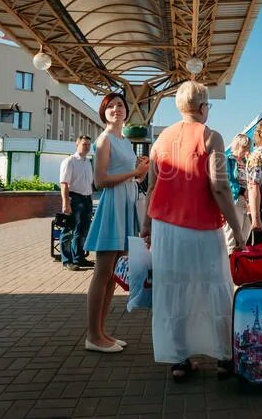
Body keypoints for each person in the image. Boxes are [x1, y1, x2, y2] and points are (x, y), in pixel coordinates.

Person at [141, 81, 243, 382]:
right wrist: (237, 229)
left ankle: (179, 360)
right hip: (201, 227)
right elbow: (220, 186)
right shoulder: (212, 137)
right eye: (208, 105)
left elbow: (151, 187)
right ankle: (225, 357)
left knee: (173, 290)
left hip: (166, 229)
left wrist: (146, 225)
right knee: (215, 287)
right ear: (202, 108)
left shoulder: (160, 141)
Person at [83, 93, 150, 353]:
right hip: (113, 208)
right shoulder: (104, 140)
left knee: (112, 274)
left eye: (120, 105)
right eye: (109, 106)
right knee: (102, 273)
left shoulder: (124, 141)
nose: (115, 109)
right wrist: (136, 172)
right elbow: (100, 180)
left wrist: (138, 171)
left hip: (126, 204)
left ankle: (101, 332)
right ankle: (93, 335)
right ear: (103, 112)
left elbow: (125, 175)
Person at [59, 135, 94, 271]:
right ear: (77, 145)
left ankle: (79, 258)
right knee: (68, 230)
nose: (87, 147)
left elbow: (89, 183)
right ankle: (67, 260)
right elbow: (64, 184)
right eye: (84, 144)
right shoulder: (69, 161)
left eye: (89, 145)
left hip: (86, 198)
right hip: (74, 198)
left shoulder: (87, 162)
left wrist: (90, 198)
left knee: (82, 230)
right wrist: (65, 203)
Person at [223, 133, 252, 253]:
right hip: (236, 200)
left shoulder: (247, 162)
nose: (246, 151)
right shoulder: (228, 160)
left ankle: (238, 266)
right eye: (244, 148)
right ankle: (229, 266)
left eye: (248, 148)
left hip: (248, 203)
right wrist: (243, 191)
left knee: (244, 237)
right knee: (233, 238)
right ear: (236, 146)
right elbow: (226, 181)